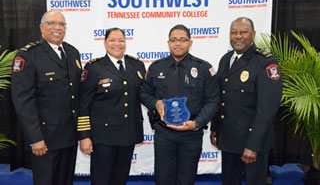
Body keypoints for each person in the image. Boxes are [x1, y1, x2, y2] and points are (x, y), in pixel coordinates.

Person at [140, 24, 220, 185]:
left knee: (187, 178)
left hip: (191, 133)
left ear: (190, 43)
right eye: (174, 40)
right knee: (163, 178)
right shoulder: (156, 67)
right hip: (164, 133)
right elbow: (143, 93)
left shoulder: (204, 69)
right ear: (168, 43)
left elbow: (213, 100)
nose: (178, 43)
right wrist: (155, 103)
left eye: (183, 40)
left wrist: (197, 123)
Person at [11, 10, 82, 185]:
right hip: (45, 139)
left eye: (61, 24)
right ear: (42, 27)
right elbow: (23, 101)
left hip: (69, 136)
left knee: (65, 181)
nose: (57, 28)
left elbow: (75, 94)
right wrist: (35, 138)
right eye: (51, 23)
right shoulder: (28, 55)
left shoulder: (72, 53)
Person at [210, 17, 282, 185]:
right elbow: (221, 98)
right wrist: (215, 128)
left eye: (243, 32)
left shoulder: (266, 62)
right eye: (234, 32)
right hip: (228, 140)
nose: (238, 36)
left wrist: (253, 145)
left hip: (252, 141)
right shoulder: (225, 60)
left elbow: (267, 109)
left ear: (253, 34)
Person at [78, 28, 146, 185]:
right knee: (101, 179)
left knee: (120, 179)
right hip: (103, 137)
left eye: (121, 40)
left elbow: (144, 95)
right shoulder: (93, 68)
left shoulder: (137, 66)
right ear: (105, 42)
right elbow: (83, 104)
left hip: (128, 134)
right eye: (113, 40)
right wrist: (84, 136)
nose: (117, 44)